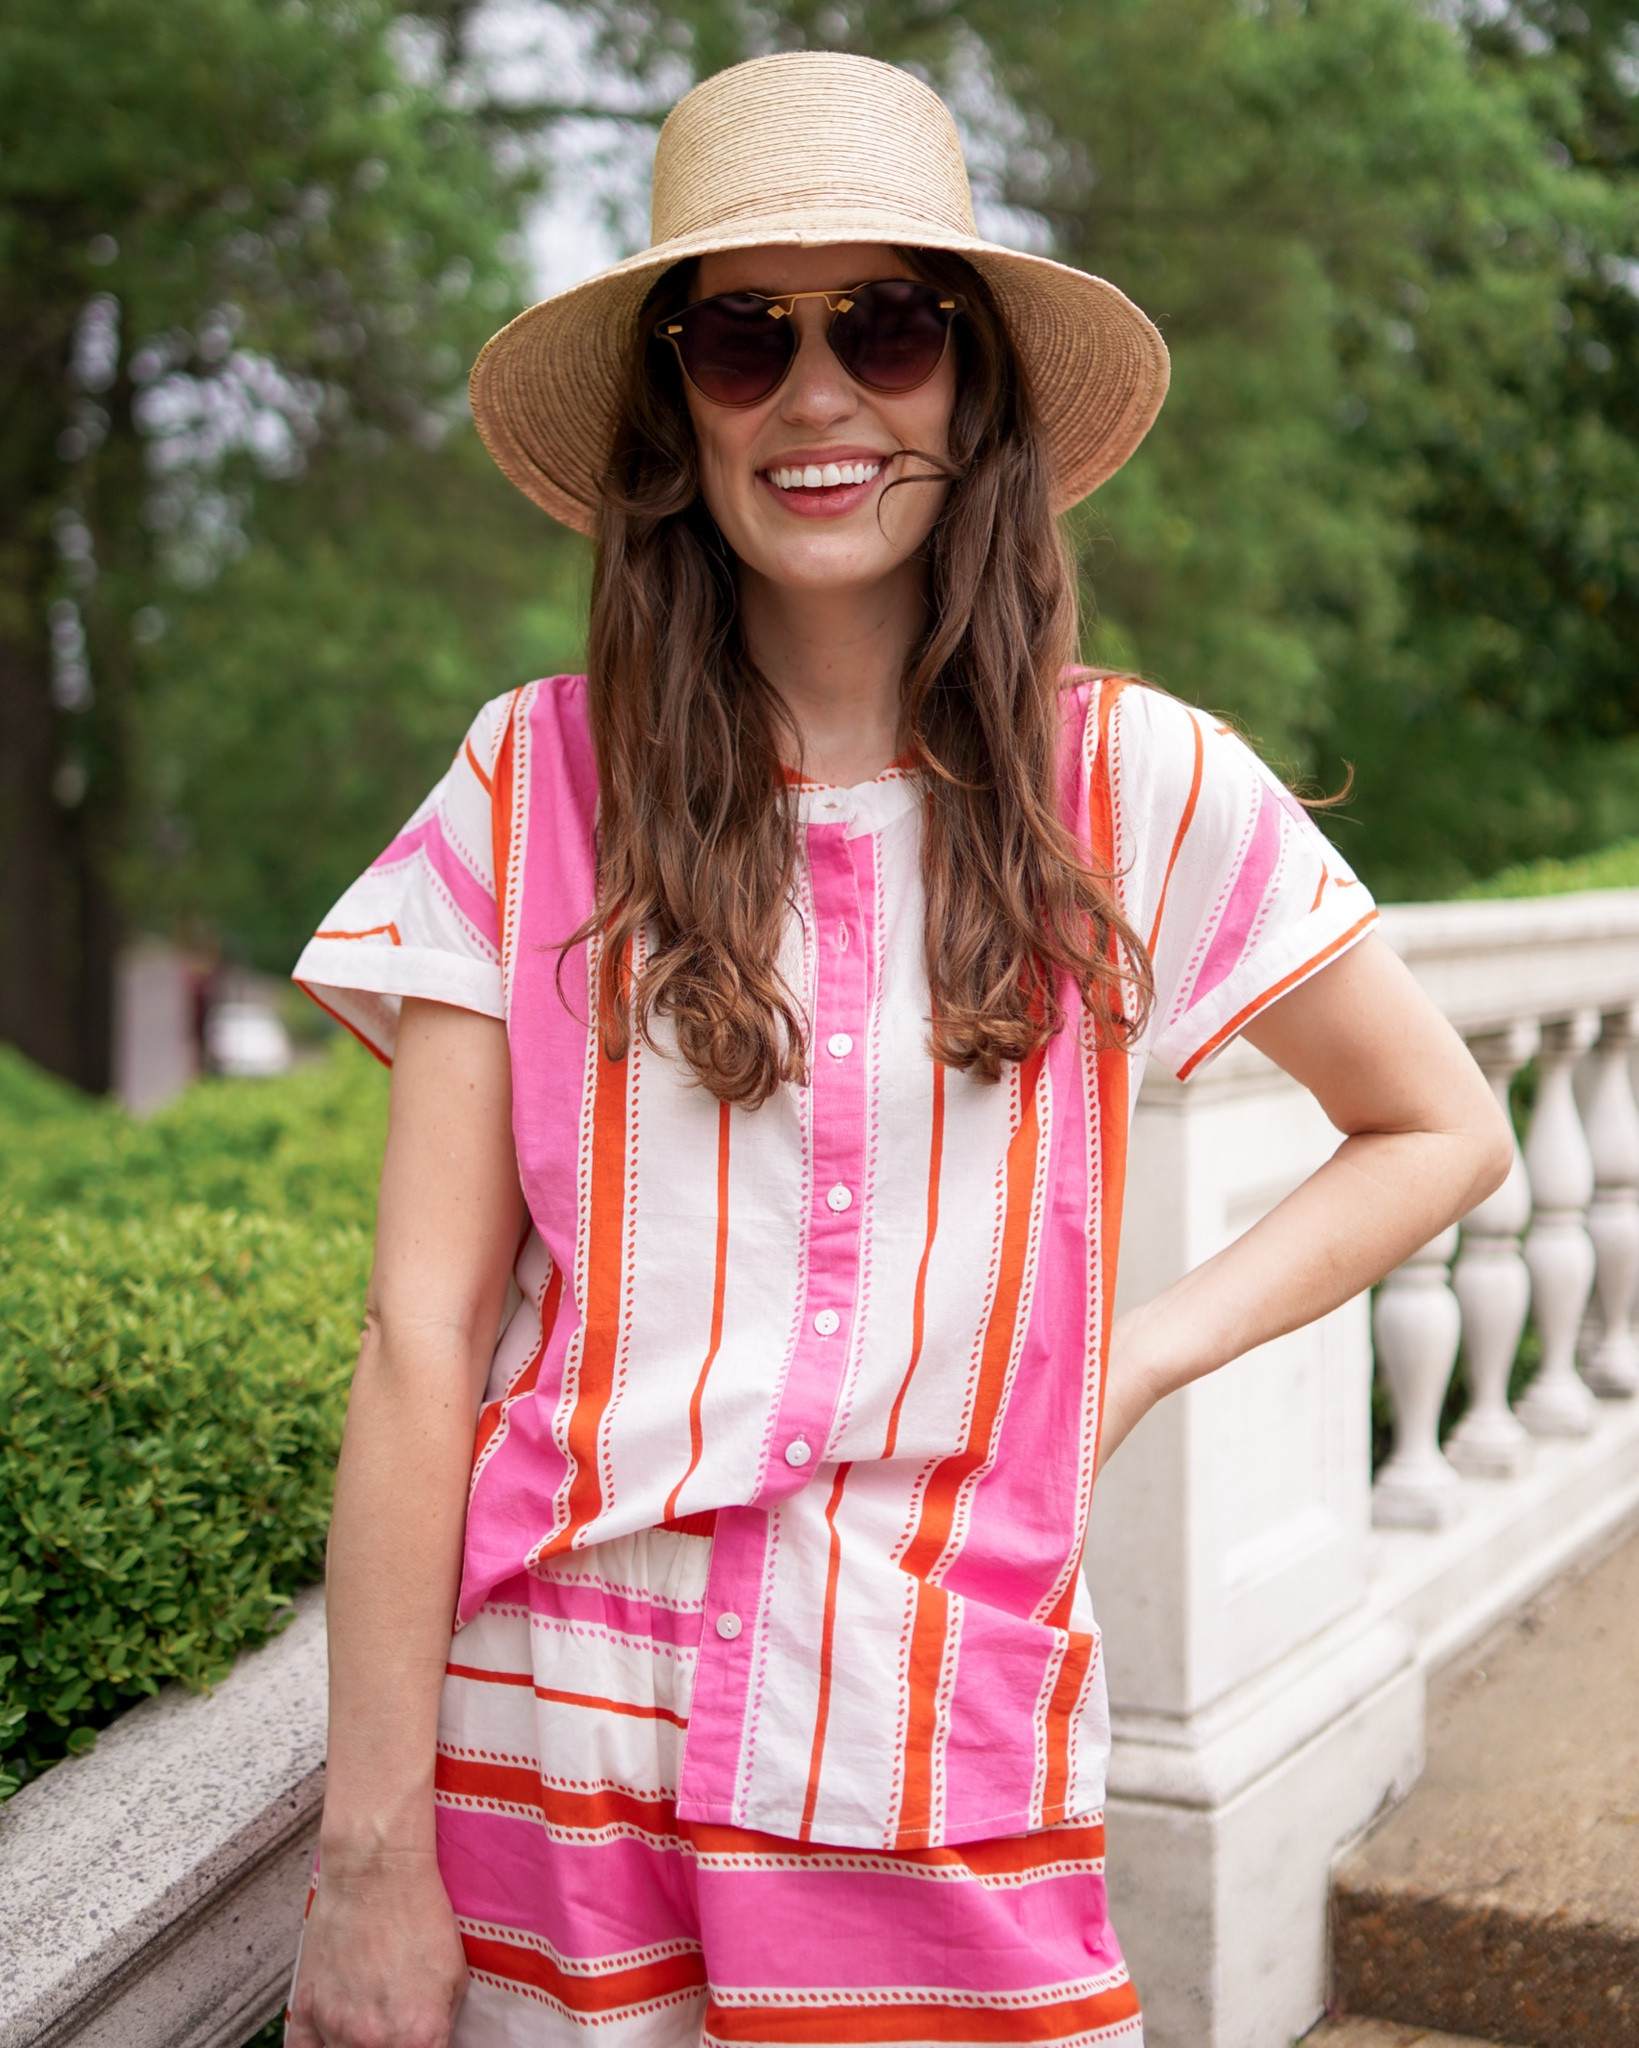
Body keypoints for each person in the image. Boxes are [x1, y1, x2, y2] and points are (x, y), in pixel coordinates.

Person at [284, 50, 1511, 2048]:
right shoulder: (531, 786)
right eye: (741, 341)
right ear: (676, 413)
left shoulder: (1129, 782)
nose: (821, 394)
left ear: (975, 387)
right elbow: (422, 1334)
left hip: (931, 1733)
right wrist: (368, 1857)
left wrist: (1122, 1357)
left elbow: (1435, 1127)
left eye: (887, 325)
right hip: (549, 1740)